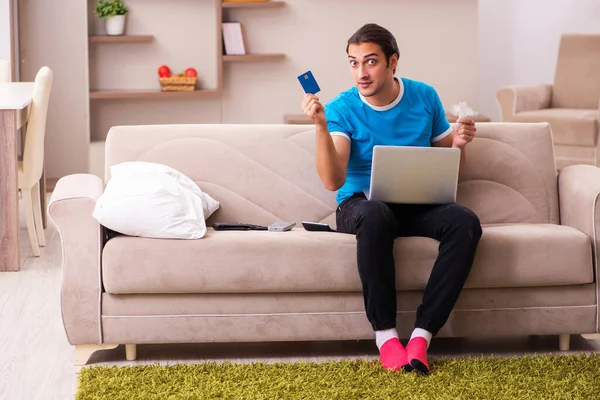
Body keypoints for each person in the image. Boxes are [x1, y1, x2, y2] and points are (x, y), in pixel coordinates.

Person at [300, 23, 482, 375]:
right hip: (361, 207)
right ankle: (385, 336)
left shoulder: (424, 96)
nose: (360, 73)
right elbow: (332, 179)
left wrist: (460, 144)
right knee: (375, 213)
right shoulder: (341, 108)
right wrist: (321, 127)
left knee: (465, 222)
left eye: (370, 62)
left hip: (415, 203)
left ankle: (421, 336)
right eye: (353, 63)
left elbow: (450, 164)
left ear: (392, 61)